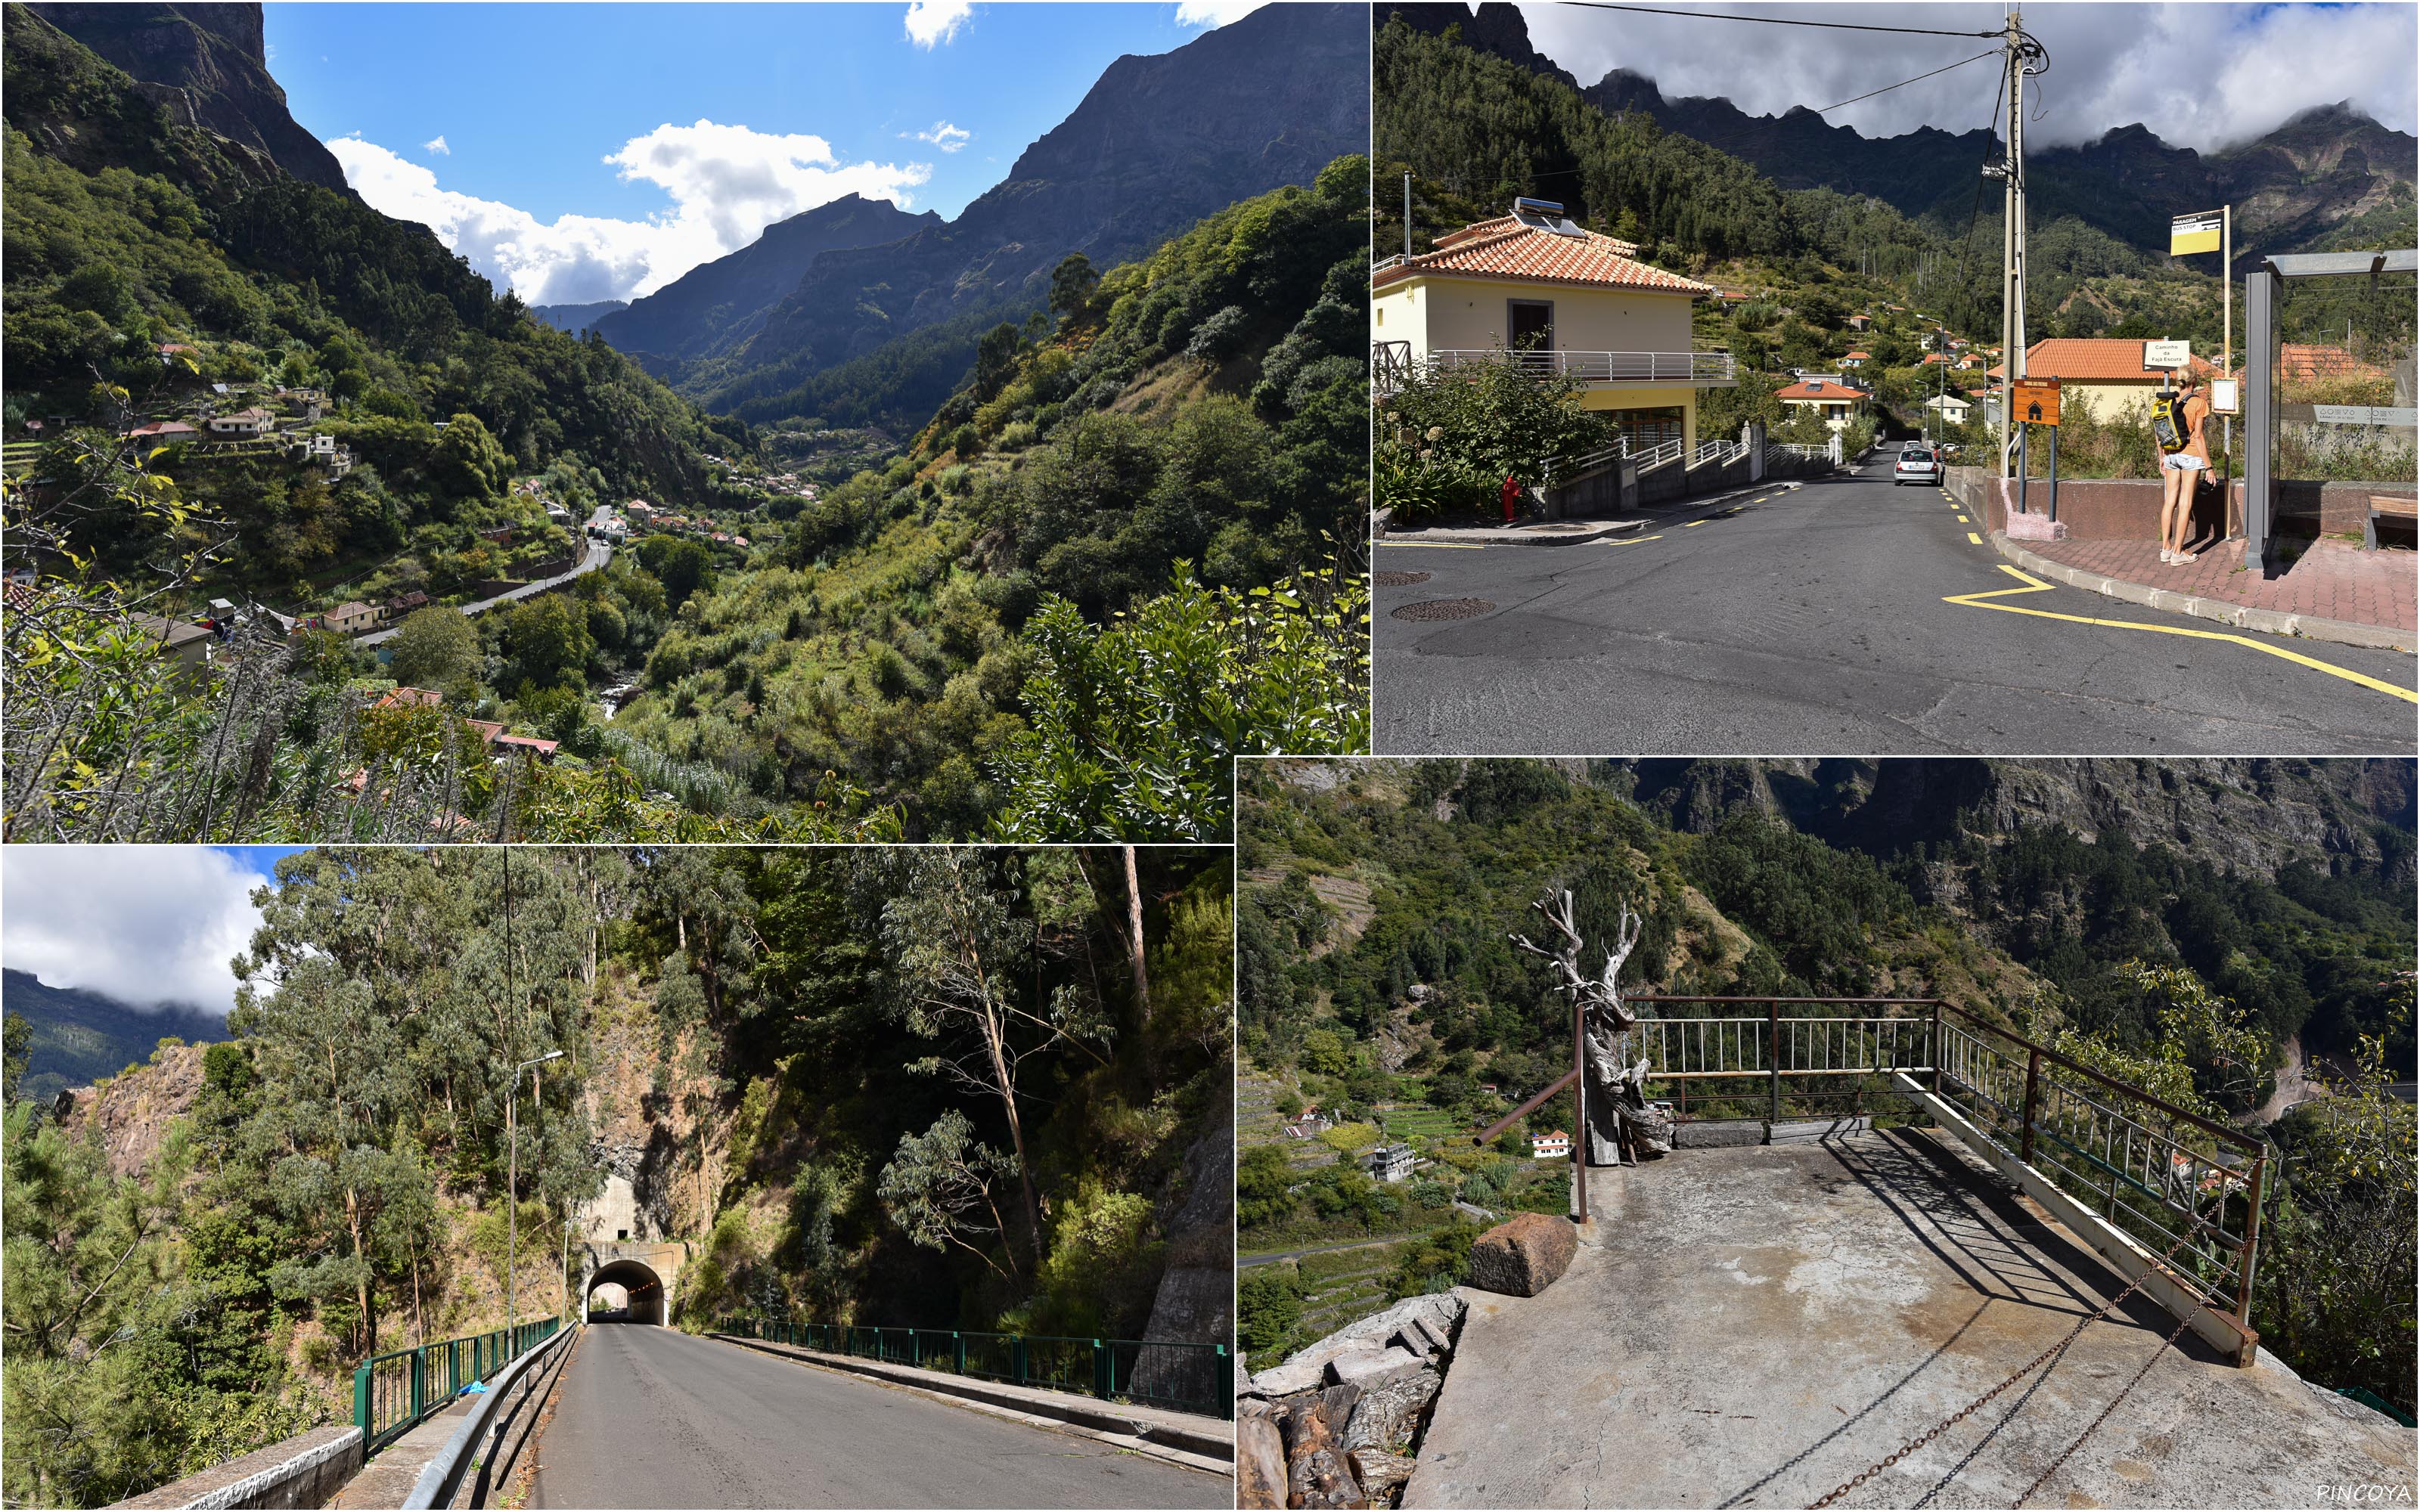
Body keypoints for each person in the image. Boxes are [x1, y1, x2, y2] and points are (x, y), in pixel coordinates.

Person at [2158, 371, 2212, 565]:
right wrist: (2209, 466)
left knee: (2170, 500)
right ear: (2194, 381)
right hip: (2190, 455)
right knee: (2185, 503)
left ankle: (2166, 548)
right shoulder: (2199, 403)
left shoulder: (2166, 401)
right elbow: (2198, 437)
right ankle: (2178, 553)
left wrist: (2162, 457)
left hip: (2171, 454)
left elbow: (2160, 433)